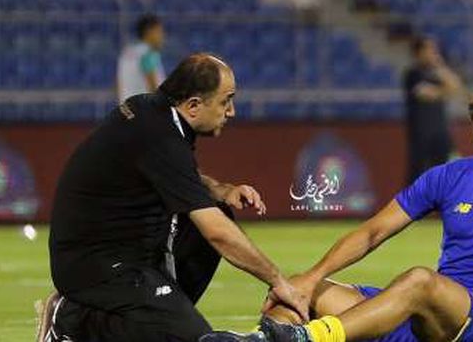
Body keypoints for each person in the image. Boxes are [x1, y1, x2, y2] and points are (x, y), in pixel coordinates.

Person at [249, 83, 473, 342]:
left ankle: (310, 338)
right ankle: (258, 340)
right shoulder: (448, 177)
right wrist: (313, 278)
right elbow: (373, 231)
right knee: (296, 288)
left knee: (419, 280)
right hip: (425, 317)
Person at [37, 53, 309, 342]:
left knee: (218, 210)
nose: (231, 112)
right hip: (96, 265)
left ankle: (153, 317)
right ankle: (71, 319)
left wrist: (222, 190)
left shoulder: (152, 113)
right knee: (195, 339)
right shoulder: (161, 135)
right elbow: (218, 233)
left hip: (125, 255)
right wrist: (278, 280)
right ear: (193, 106)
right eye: (225, 100)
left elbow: (174, 175)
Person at [402, 36, 463, 184]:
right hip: (421, 134)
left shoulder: (437, 73)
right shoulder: (413, 74)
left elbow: (456, 87)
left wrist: (440, 68)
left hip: (440, 132)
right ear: (419, 52)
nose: (433, 53)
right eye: (429, 49)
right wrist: (445, 91)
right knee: (418, 174)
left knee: (444, 173)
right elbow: (426, 94)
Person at [117, 14, 167, 103]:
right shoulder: (148, 54)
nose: (162, 36)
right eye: (159, 32)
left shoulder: (126, 53)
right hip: (144, 111)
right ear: (150, 32)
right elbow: (153, 87)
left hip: (126, 111)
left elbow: (119, 85)